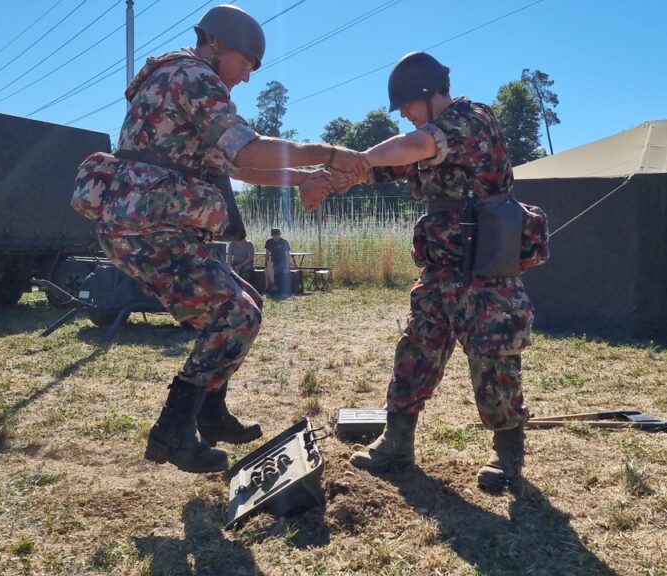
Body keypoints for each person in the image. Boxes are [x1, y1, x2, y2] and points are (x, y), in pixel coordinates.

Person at [71, 4, 368, 474]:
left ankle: (210, 413)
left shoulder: (178, 79)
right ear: (217, 45)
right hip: (149, 226)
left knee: (246, 301)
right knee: (236, 314)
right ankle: (173, 431)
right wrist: (330, 153)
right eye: (245, 63)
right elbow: (248, 150)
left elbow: (240, 167)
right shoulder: (194, 76)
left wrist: (307, 176)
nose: (246, 76)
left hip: (144, 222)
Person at [326, 52, 549, 492]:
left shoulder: (471, 120)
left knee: (493, 358)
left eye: (407, 105)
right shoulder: (426, 138)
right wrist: (335, 176)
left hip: (485, 269)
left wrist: (362, 159)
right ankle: (396, 443)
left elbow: (415, 146)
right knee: (415, 350)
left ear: (429, 95)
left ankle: (508, 455)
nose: (403, 115)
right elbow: (386, 166)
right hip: (440, 268)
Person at [264, 228, 292, 296]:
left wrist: (287, 267)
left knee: (267, 271)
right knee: (268, 267)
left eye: (277, 235)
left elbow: (288, 255)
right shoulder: (269, 242)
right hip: (274, 262)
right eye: (274, 235)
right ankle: (272, 285)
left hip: (282, 263)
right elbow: (267, 254)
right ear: (272, 235)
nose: (275, 237)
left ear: (279, 235)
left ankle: (269, 287)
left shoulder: (284, 242)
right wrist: (266, 264)